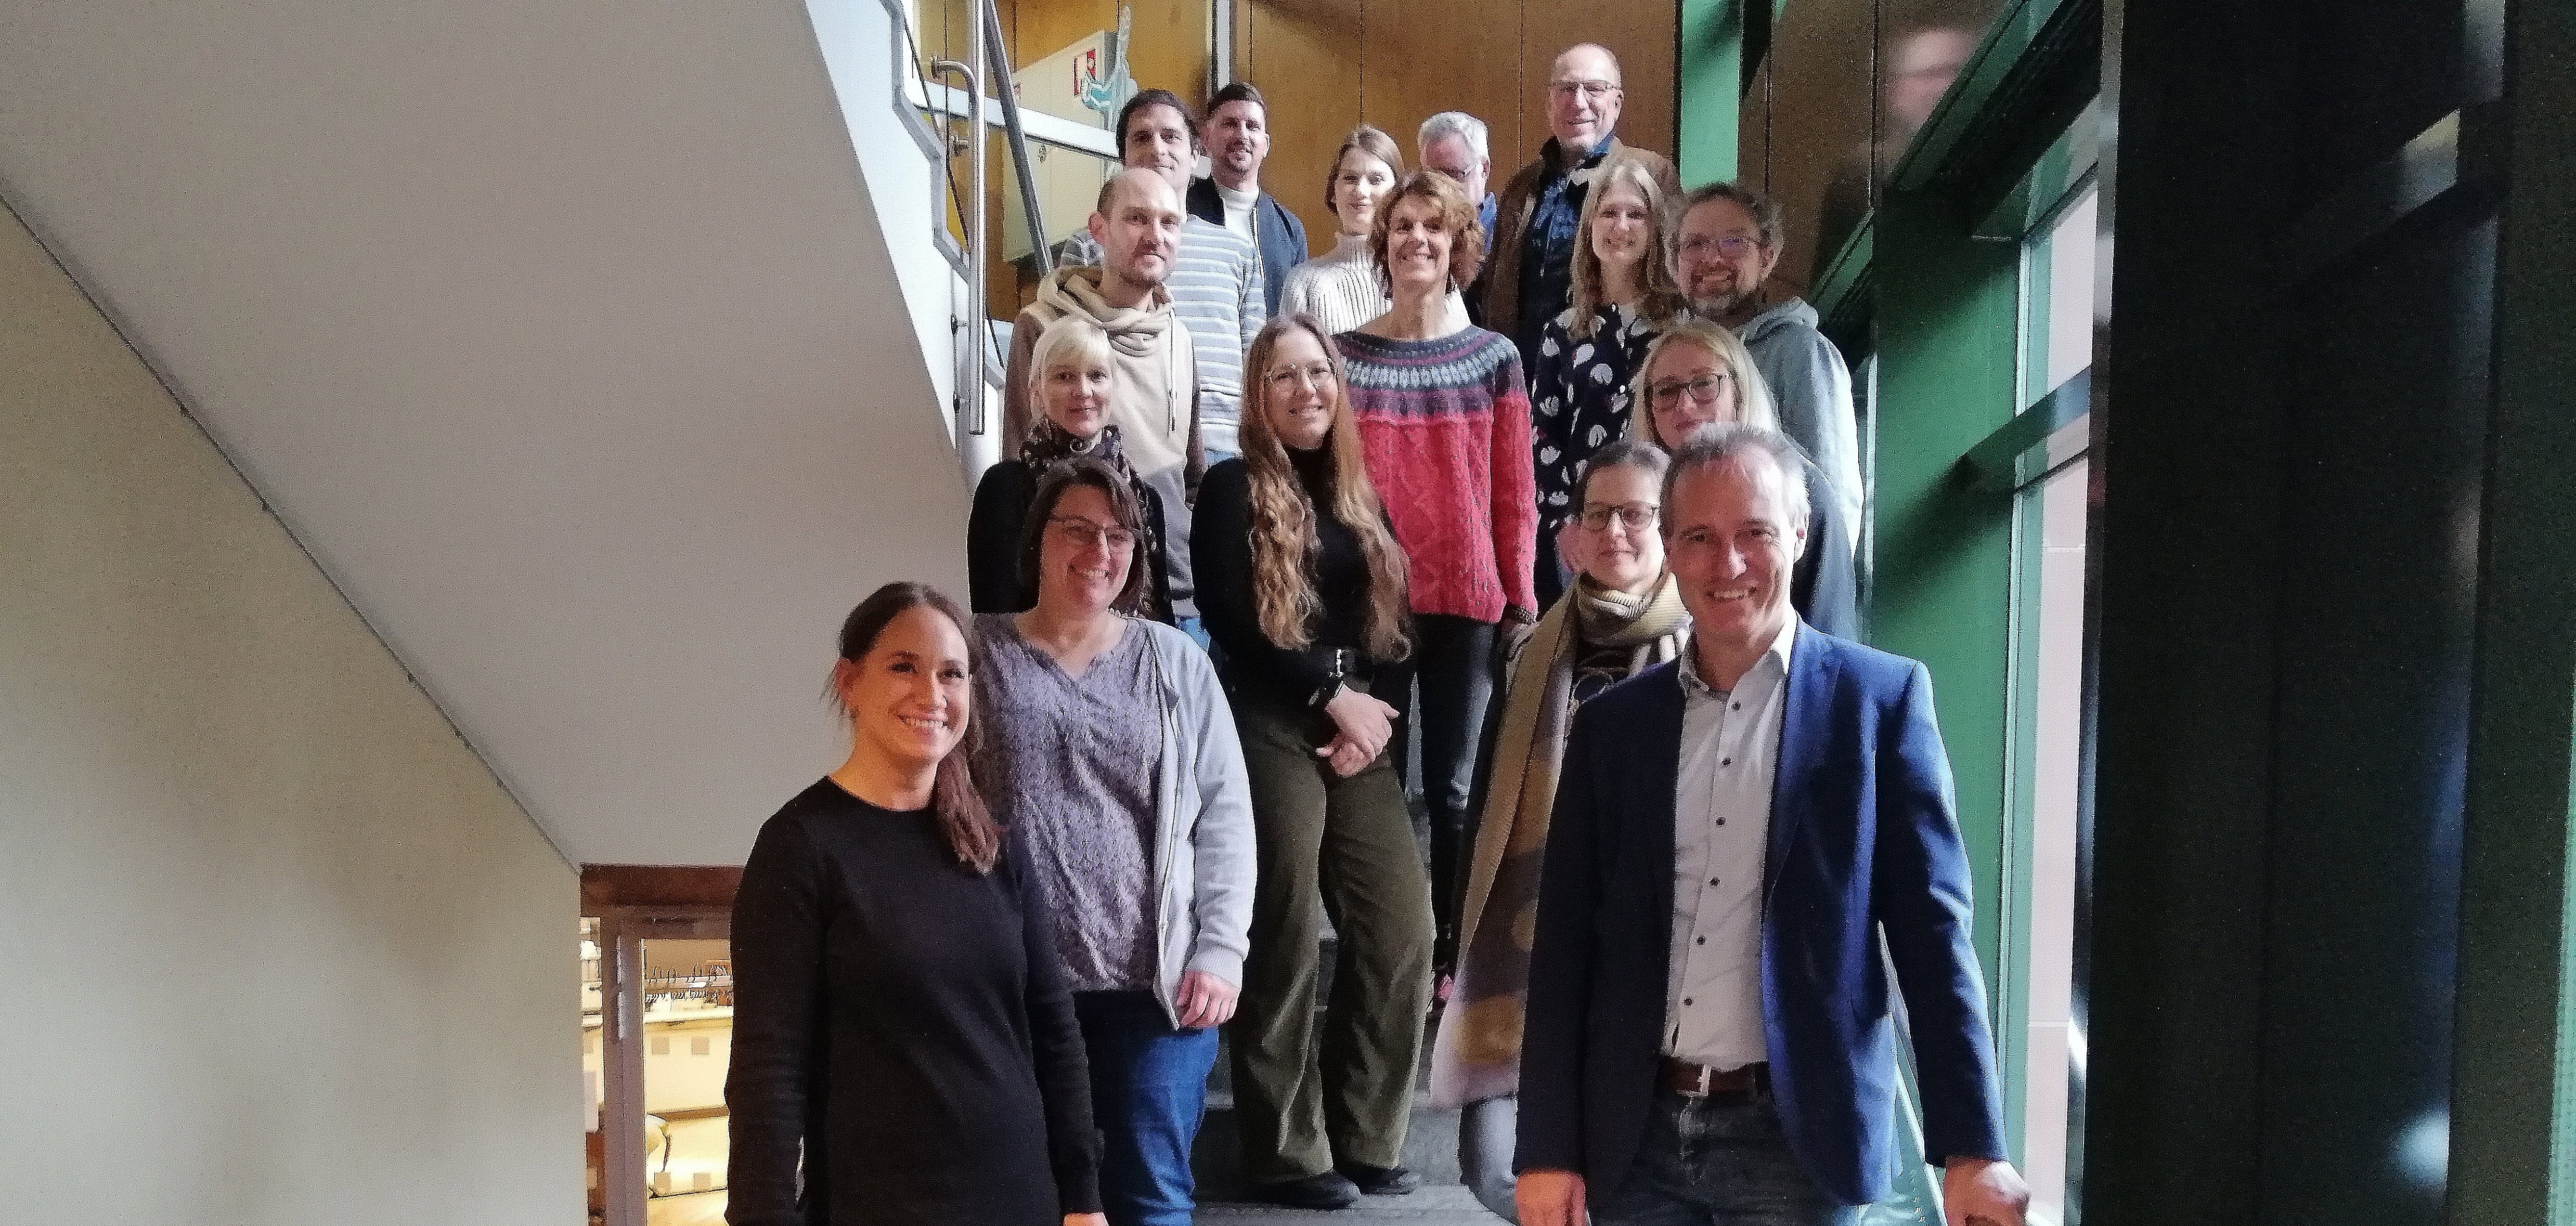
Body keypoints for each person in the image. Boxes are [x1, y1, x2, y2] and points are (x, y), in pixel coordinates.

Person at [1513, 426, 2031, 1226]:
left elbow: (1933, 938)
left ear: (1798, 532)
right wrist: (1547, 1147)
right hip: (1631, 1138)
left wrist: (1972, 1147)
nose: (1728, 565)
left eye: (1754, 533)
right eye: (1699, 538)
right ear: (1671, 549)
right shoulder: (1611, 728)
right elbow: (1565, 949)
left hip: (1796, 1143)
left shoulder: (1879, 705)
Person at [727, 582, 1107, 1226]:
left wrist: (1083, 1197)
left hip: (1022, 1201)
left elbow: (1053, 1029)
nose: (931, 695)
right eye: (903, 667)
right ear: (850, 682)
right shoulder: (800, 848)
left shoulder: (993, 845)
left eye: (951, 675)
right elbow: (769, 1067)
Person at [972, 459, 1257, 1226]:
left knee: (1150, 1195)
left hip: (1154, 990)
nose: (1100, 549)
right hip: (1015, 988)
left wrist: (1221, 949)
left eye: (1119, 534)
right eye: (1078, 529)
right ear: (1038, 539)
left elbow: (1226, 812)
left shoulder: (1175, 661)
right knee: (1022, 1193)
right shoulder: (975, 654)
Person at [1195, 313, 1431, 1211]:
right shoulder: (1230, 488)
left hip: (1357, 721)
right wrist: (1324, 699)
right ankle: (1284, 1148)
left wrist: (1367, 720)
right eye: (1285, 376)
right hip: (1265, 711)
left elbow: (1397, 630)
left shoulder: (1361, 501)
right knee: (1285, 916)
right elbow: (1227, 616)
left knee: (1402, 926)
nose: (1306, 389)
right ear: (1259, 395)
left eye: (1319, 374)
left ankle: (1367, 1133)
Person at [1429, 438, 1691, 1221]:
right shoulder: (1529, 652)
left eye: (1637, 515)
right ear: (1569, 533)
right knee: (1493, 1167)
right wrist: (1457, 944)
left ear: (1670, 529)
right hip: (1529, 945)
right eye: (1598, 514)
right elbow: (1483, 807)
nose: (1615, 533)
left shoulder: (1703, 653)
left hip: (1652, 963)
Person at [1338, 170, 1538, 978]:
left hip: (1466, 604)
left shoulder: (1495, 359)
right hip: (1370, 605)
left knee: (1456, 790)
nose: (1417, 238)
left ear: (1460, 247)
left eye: (1434, 226)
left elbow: (1514, 493)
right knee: (1372, 784)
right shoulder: (1344, 357)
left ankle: (1454, 959)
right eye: (1403, 225)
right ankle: (1386, 950)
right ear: (1382, 244)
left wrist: (1521, 600)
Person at [1003, 169, 1204, 634]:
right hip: (1073, 597)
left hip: (1175, 599)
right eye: (1136, 218)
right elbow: (1018, 463)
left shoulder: (1181, 337)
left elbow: (1189, 478)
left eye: (1169, 223)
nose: (1154, 236)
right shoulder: (1042, 326)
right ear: (1099, 229)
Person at [1060, 89, 1267, 462]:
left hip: (1225, 446)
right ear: (1122, 156)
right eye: (1141, 137)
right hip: (1117, 440)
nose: (1157, 149)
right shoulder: (1091, 245)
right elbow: (1066, 353)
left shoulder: (1237, 251)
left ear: (1195, 152)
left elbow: (1257, 361)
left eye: (1171, 137)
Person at [1526, 155, 1687, 608]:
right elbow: (1543, 435)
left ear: (1655, 229)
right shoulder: (1562, 331)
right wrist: (1564, 522)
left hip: (1660, 528)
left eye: (1635, 214)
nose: (1621, 225)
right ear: (1589, 226)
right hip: (1585, 528)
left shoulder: (1679, 329)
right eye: (1608, 212)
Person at [1628, 321, 1855, 639]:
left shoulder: (1803, 492)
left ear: (1739, 391)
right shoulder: (1631, 506)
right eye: (1666, 391)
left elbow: (1831, 642)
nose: (1684, 405)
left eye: (1704, 384)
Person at [1675, 181, 1865, 549]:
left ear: (1767, 257)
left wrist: (1812, 593)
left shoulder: (1802, 353)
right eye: (1695, 244)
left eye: (1732, 242)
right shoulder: (1671, 361)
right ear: (1674, 262)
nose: (1712, 259)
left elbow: (1834, 498)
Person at [1484, 44, 1680, 371]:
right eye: (1566, 88)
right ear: (1550, 104)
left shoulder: (1652, 175)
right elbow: (1497, 283)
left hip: (1611, 373)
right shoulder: (1523, 185)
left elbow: (1672, 273)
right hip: (1519, 375)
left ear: (1617, 104)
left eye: (1594, 89)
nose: (1578, 101)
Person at [972, 316, 1175, 620]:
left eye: (1096, 376)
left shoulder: (1145, 500)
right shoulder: (1005, 490)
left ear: (1113, 388)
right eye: (1064, 377)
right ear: (1036, 391)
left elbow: (1162, 623)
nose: (1083, 390)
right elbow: (996, 625)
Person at [1275, 126, 1405, 337]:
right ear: (1333, 193)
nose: (1361, 191)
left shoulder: (1421, 271)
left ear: (1398, 192)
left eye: (1376, 180)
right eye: (1350, 179)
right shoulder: (1303, 283)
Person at [1193, 82, 1308, 317]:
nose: (1242, 135)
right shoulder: (1182, 212)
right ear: (1206, 137)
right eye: (1230, 124)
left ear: (1266, 145)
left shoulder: (1290, 231)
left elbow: (1297, 318)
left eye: (1252, 126)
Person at [1418, 111, 1498, 326]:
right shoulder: (1416, 236)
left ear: (1484, 169)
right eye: (1433, 177)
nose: (1442, 188)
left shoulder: (1510, 234)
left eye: (1454, 175)